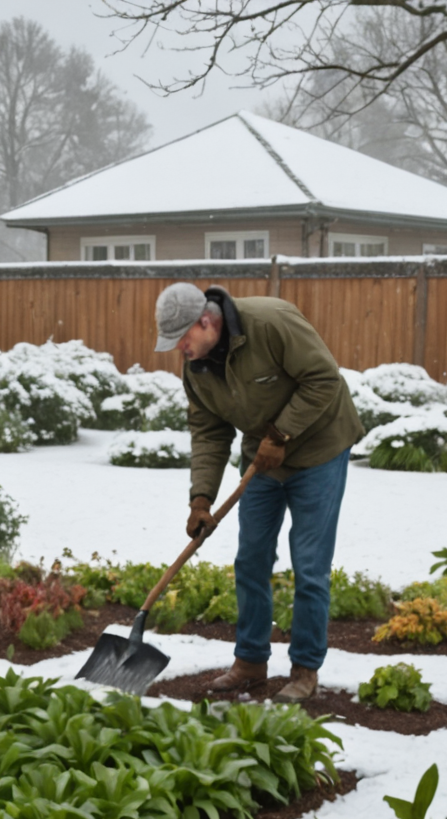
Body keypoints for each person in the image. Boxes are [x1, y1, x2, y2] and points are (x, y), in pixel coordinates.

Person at [153, 282, 364, 701]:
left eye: (182, 338)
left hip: (320, 450)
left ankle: (305, 669)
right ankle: (250, 662)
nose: (180, 349)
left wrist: (282, 432)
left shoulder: (272, 322)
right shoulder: (196, 365)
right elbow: (209, 433)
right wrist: (201, 499)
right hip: (262, 460)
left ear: (206, 321)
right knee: (250, 560)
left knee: (309, 565)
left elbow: (323, 378)